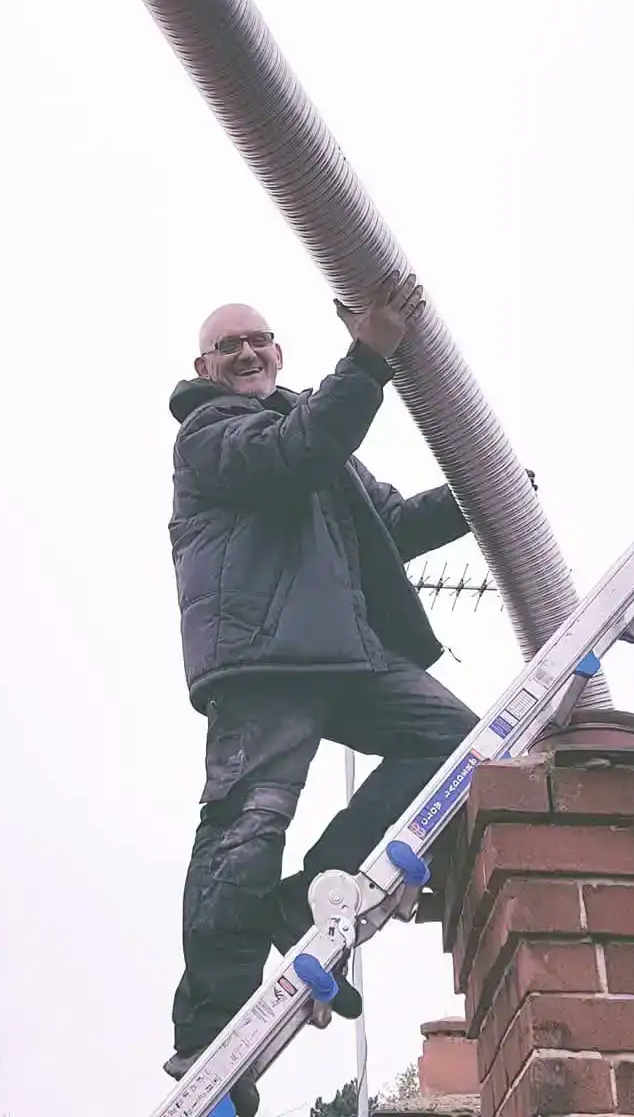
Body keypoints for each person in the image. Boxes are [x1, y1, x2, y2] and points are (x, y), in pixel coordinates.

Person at [163, 271, 481, 1115]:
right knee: (245, 828)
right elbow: (292, 452)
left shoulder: (318, 431)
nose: (245, 351)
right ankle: (208, 1038)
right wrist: (369, 358)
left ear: (278, 349)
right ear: (202, 365)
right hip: (265, 658)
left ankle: (324, 877)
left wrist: (481, 490)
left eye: (257, 338)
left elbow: (393, 524)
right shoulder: (209, 432)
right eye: (226, 343)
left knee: (454, 742)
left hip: (345, 651)